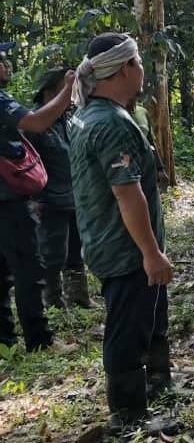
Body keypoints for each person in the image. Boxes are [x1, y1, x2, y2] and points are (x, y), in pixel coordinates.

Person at [67, 32, 176, 435]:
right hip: (125, 247)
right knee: (126, 329)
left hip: (107, 238)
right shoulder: (112, 123)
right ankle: (128, 416)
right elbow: (127, 194)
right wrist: (151, 253)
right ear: (125, 69)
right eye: (139, 62)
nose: (143, 69)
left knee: (146, 315)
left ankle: (156, 380)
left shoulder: (88, 114)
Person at [0, 41, 75, 352]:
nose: (6, 64)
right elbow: (37, 122)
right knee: (29, 268)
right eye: (0, 59)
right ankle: (40, 341)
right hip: (8, 200)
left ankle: (4, 341)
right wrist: (68, 88)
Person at [26, 68, 92, 309]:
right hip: (49, 200)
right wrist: (33, 200)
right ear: (48, 94)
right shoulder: (34, 124)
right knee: (53, 254)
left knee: (76, 250)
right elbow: (27, 165)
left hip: (74, 197)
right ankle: (53, 300)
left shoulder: (69, 121)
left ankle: (79, 296)